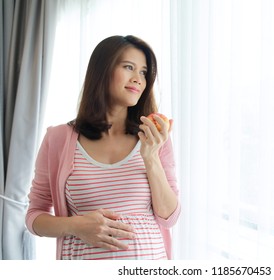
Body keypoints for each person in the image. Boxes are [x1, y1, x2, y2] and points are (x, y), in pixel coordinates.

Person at [25, 35, 180, 260]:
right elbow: (34, 216)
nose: (138, 79)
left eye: (144, 72)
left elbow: (169, 217)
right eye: (129, 67)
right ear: (102, 71)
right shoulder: (58, 138)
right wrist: (74, 226)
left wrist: (151, 157)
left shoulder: (154, 137)